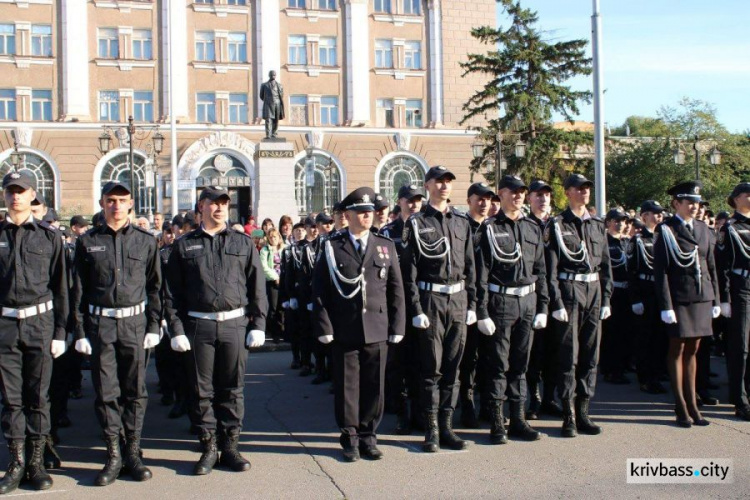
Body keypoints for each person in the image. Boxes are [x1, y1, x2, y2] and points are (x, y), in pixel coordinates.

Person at [164, 185, 267, 475]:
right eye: (214, 203)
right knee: (201, 391)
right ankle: (209, 446)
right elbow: (171, 293)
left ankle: (231, 446)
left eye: (224, 203)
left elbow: (256, 286)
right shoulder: (184, 246)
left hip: (234, 324)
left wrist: (258, 324)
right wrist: (177, 329)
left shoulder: (242, 243)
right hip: (199, 325)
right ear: (201, 207)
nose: (220, 208)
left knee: (233, 389)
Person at [71, 180, 162, 486]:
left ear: (131, 203)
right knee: (106, 392)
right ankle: (113, 454)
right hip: (101, 325)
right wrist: (80, 330)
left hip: (134, 324)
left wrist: (153, 325)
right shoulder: (87, 242)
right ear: (102, 203)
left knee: (135, 390)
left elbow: (156, 288)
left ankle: (133, 452)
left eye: (122, 200)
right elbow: (78, 292)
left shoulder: (146, 241)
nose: (116, 205)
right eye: (111, 200)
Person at [313, 187, 406, 462]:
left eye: (369, 212)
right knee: (347, 387)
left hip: (377, 326)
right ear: (348, 215)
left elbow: (395, 289)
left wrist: (397, 325)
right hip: (344, 328)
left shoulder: (384, 245)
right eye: (361, 212)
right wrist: (325, 327)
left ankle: (368, 436)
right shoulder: (332, 246)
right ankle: (350, 437)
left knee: (374, 386)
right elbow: (319, 290)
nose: (367, 216)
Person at [0, 171, 69, 494]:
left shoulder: (49, 237)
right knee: (12, 401)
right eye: (10, 191)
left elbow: (61, 289)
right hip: (5, 326)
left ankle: (36, 462)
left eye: (21, 191)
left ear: (33, 196)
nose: (15, 197)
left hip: (40, 324)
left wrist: (60, 332)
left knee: (38, 398)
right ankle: (16, 462)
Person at [401, 165, 477, 452]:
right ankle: (431, 429)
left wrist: (472, 303)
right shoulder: (416, 223)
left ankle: (447, 427)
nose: (444, 185)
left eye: (448, 181)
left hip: (457, 300)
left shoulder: (461, 222)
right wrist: (416, 308)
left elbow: (471, 267)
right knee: (431, 368)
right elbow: (408, 272)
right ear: (428, 185)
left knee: (453, 368)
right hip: (430, 299)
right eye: (439, 181)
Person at [475, 175, 548, 444]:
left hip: (527, 302)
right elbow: (480, 274)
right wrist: (481, 311)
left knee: (521, 365)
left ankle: (518, 419)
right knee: (497, 365)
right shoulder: (489, 228)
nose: (517, 196)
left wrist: (543, 306)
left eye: (521, 192)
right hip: (501, 302)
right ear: (501, 194)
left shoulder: (532, 228)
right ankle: (497, 422)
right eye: (512, 192)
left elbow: (541, 270)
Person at [544, 173, 612, 438]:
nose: (584, 193)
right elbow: (551, 269)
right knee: (568, 356)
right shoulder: (558, 225)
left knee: (590, 355)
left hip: (593, 289)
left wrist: (606, 298)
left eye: (586, 189)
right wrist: (557, 301)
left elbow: (605, 265)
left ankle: (584, 410)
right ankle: (568, 414)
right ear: (568, 192)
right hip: (570, 290)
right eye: (578, 188)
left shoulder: (596, 224)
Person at [653, 181, 720, 428]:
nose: (694, 206)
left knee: (695, 351)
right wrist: (666, 305)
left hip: (702, 297)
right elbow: (662, 272)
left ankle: (693, 404)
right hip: (679, 299)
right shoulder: (666, 230)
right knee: (677, 350)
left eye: (697, 203)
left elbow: (711, 266)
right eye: (689, 202)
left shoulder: (703, 228)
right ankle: (680, 405)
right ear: (676, 204)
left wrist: (717, 299)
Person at [379, 184, 424, 434]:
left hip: (422, 304)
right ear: (400, 202)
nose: (414, 204)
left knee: (421, 360)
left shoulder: (427, 227)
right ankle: (401, 413)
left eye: (418, 200)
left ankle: (419, 411)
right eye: (409, 200)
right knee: (397, 362)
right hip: (396, 304)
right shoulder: (387, 233)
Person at [458, 182, 494, 429]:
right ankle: (467, 404)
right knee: (468, 357)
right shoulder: (461, 227)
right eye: (479, 199)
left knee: (491, 357)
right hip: (469, 301)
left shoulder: (494, 228)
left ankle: (489, 405)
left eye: (488, 199)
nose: (483, 203)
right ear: (469, 200)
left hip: (493, 301)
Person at [525, 180, 561, 420]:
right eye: (538, 195)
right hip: (534, 293)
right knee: (533, 352)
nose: (543, 199)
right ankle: (534, 399)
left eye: (546, 195)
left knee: (555, 350)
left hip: (559, 293)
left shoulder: (559, 224)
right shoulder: (526, 225)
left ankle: (550, 396)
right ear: (529, 199)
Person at [716, 182, 750, 421]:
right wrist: (725, 298)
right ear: (736, 199)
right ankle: (740, 399)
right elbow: (723, 267)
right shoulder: (730, 228)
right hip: (741, 290)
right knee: (740, 347)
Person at [629, 200, 669, 395]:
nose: (659, 217)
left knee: (660, 337)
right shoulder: (637, 240)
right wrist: (635, 298)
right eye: (654, 213)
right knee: (646, 337)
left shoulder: (665, 237)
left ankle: (657, 373)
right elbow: (632, 271)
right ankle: (646, 378)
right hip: (645, 292)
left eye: (660, 213)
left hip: (661, 292)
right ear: (644, 216)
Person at [600, 208, 631, 385]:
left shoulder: (626, 242)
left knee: (624, 332)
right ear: (609, 222)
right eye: (616, 220)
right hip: (612, 292)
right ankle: (610, 369)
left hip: (626, 291)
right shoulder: (605, 241)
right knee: (611, 333)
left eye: (623, 221)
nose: (620, 224)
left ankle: (620, 366)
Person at [281, 222, 307, 368]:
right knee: (294, 329)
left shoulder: (309, 248)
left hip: (305, 294)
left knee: (305, 329)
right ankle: (295, 357)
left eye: (302, 230)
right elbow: (285, 274)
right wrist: (287, 297)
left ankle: (306, 359)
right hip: (292, 294)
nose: (299, 233)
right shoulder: (288, 250)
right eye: (297, 230)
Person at [260, 228, 286, 344]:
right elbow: (264, 267)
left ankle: (283, 331)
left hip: (284, 281)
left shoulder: (284, 249)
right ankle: (275, 333)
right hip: (272, 281)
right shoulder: (265, 250)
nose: (273, 239)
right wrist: (275, 277)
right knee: (274, 308)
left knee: (283, 307)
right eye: (270, 237)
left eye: (275, 237)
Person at [260, 70, 285, 139]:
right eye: (271, 75)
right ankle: (268, 134)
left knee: (276, 120)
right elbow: (261, 96)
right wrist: (268, 100)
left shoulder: (279, 85)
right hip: (268, 104)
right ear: (269, 75)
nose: (273, 76)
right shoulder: (264, 85)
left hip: (277, 103)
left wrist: (276, 100)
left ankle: (274, 133)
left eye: (274, 75)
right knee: (268, 119)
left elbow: (281, 95)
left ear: (275, 76)